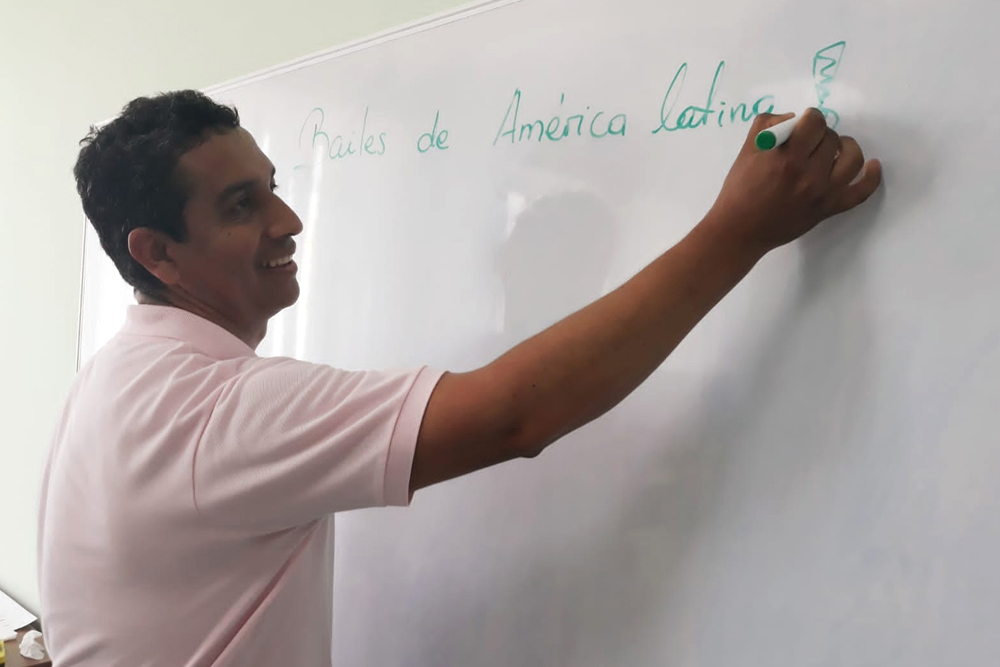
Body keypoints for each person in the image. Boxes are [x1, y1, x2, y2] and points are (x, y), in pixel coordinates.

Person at [37, 90, 881, 666]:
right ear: (157, 252)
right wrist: (740, 228)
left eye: (275, 189)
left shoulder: (121, 375)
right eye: (239, 205)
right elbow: (515, 415)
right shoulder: (214, 408)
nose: (288, 220)